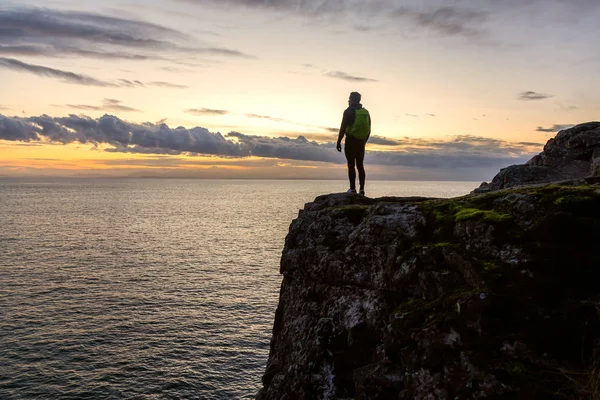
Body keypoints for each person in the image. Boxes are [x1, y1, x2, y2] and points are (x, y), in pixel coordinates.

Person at [336, 91, 371, 195]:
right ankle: (362, 190)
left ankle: (352, 189)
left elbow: (342, 128)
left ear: (352, 99)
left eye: (349, 98)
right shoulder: (365, 112)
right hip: (361, 141)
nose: (348, 100)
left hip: (351, 140)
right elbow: (369, 130)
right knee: (360, 165)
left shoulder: (348, 111)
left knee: (351, 165)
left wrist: (338, 142)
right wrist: (363, 141)